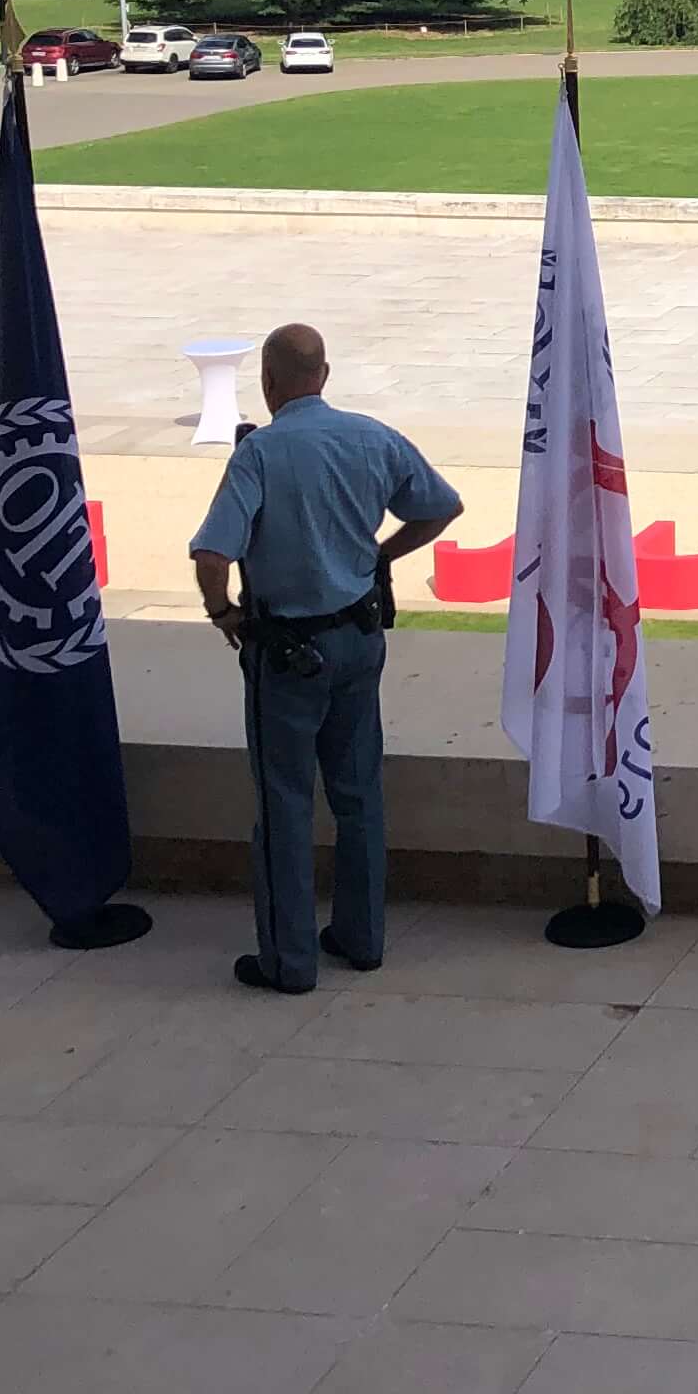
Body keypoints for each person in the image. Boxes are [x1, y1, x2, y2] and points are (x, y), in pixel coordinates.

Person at [188, 321, 463, 994]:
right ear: (326, 375)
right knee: (358, 794)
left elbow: (213, 554)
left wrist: (222, 613)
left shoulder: (260, 454)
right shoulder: (372, 438)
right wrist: (379, 556)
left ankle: (289, 962)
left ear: (268, 382)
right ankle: (362, 938)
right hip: (358, 641)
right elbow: (441, 507)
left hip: (286, 654)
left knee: (284, 803)